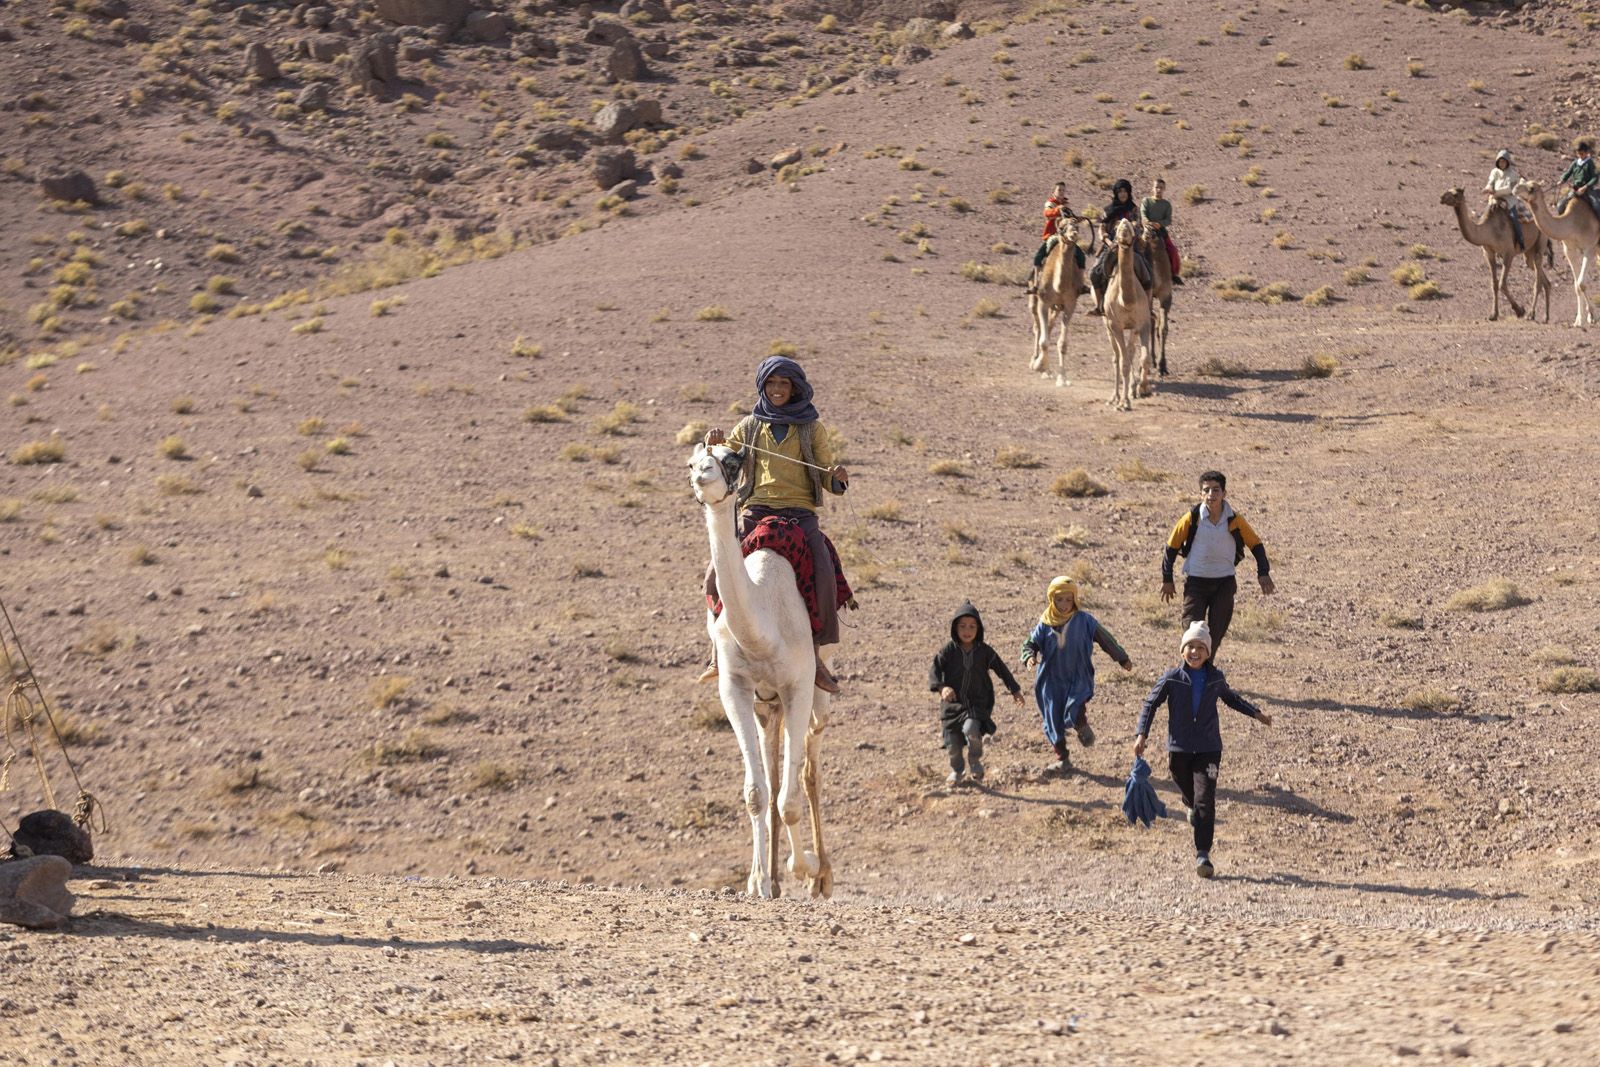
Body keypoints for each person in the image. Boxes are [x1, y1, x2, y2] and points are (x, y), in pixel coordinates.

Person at [702, 357, 849, 692]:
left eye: (784, 384)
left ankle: (816, 660)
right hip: (755, 512)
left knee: (824, 575)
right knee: (714, 576)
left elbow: (828, 476)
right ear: (763, 387)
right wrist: (714, 445)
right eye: (772, 384)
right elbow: (726, 461)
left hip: (800, 514)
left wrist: (838, 480)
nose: (778, 389)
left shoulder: (812, 428)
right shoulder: (749, 427)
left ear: (794, 388)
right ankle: (717, 652)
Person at [1133, 620, 1273, 879]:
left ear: (1209, 652)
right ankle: (1189, 804)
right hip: (1180, 748)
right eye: (1190, 647)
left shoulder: (1215, 678)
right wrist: (1142, 734)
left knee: (1205, 800)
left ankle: (1203, 855)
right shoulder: (1172, 679)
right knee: (1186, 788)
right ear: (1182, 651)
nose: (1195, 652)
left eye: (1201, 647)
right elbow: (1150, 704)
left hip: (1209, 748)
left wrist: (1256, 713)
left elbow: (1232, 699)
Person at [1020, 576, 1131, 775]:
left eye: (1068, 599)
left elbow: (1104, 638)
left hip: (1078, 675)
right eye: (1059, 599)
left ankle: (1081, 724)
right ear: (1051, 599)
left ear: (1075, 599)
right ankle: (1063, 758)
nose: (1063, 604)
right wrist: (1029, 657)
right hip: (1051, 680)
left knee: (1075, 705)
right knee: (1052, 720)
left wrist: (1121, 658)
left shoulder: (1085, 620)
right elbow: (1030, 643)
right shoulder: (1045, 623)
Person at [1159, 470, 1274, 662]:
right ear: (1201, 494)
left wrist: (1263, 573)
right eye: (1207, 490)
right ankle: (1188, 675)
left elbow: (1256, 544)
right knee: (1192, 632)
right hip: (1196, 583)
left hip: (1224, 583)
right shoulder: (1191, 518)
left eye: (1216, 490)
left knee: (1216, 633)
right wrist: (1167, 579)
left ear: (1224, 493)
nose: (1211, 494)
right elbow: (1171, 547)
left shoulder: (1234, 520)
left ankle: (1206, 673)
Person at [929, 601, 1024, 785]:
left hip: (976, 703)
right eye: (962, 626)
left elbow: (1001, 669)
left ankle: (974, 759)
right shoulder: (948, 650)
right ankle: (957, 770)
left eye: (972, 626)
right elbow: (935, 670)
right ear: (955, 628)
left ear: (979, 629)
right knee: (953, 745)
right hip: (952, 706)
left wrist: (1015, 690)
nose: (967, 630)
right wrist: (942, 688)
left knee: (971, 730)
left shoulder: (984, 651)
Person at [1088, 178, 1150, 315]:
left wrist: (1129, 231)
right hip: (1111, 246)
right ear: (1116, 193)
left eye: (1125, 191)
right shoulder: (1108, 211)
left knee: (1147, 272)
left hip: (1130, 246)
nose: (1123, 194)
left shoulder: (1134, 210)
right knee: (1093, 273)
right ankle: (1099, 306)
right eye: (1120, 191)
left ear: (1129, 193)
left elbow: (1138, 227)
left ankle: (1148, 308)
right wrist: (1109, 243)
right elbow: (1102, 229)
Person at [1026, 182, 1074, 294]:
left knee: (1079, 256)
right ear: (1054, 192)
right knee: (1038, 257)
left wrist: (1076, 219)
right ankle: (1036, 284)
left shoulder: (1067, 205)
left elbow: (1071, 217)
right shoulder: (1050, 203)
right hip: (1051, 236)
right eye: (1059, 190)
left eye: (1063, 190)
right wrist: (1058, 209)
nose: (1061, 192)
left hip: (1065, 237)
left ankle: (1080, 283)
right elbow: (1047, 213)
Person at [1139, 177, 1184, 285]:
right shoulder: (1146, 201)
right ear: (1152, 188)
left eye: (1161, 188)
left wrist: (1159, 224)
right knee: (1136, 249)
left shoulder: (1166, 204)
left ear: (1164, 189)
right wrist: (1147, 222)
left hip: (1160, 231)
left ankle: (1174, 274)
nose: (1158, 190)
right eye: (1156, 187)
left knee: (1173, 251)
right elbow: (1143, 214)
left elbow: (1168, 220)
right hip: (1146, 229)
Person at [1484, 149, 1527, 251]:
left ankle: (1520, 240)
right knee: (1485, 217)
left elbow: (1509, 189)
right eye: (1500, 161)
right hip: (1494, 200)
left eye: (1503, 161)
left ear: (1507, 162)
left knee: (1514, 219)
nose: (1502, 163)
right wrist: (1488, 188)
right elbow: (1491, 181)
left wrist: (1494, 192)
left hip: (1508, 200)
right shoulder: (1494, 172)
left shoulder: (1512, 174)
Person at [1557, 139, 1600, 219]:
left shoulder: (1590, 163)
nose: (1580, 155)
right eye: (1578, 154)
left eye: (1582, 153)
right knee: (1561, 205)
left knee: (1596, 205)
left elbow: (1595, 177)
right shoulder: (1575, 163)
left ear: (1587, 153)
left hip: (1587, 189)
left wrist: (1585, 187)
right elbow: (1568, 172)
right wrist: (1562, 180)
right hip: (1575, 189)